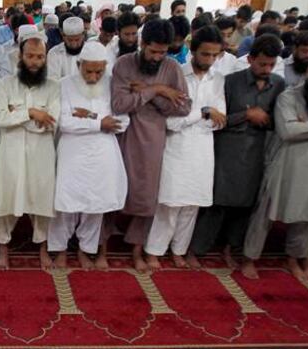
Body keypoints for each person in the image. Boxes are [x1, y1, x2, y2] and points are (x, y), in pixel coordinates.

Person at [240, 47, 308, 281]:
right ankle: (250, 257)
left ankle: (294, 259)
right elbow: (288, 130)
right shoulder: (289, 96)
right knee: (266, 213)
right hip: (287, 163)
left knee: (307, 217)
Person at [189, 34, 285, 270]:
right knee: (216, 203)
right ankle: (197, 249)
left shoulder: (278, 85)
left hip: (257, 152)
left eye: (271, 65)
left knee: (245, 205)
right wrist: (247, 115)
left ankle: (231, 249)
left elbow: (281, 121)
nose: (266, 69)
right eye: (262, 63)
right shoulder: (230, 81)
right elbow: (219, 117)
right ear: (250, 59)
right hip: (227, 149)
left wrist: (266, 119)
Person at [111, 18, 191, 271]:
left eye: (163, 52)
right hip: (122, 136)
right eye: (153, 50)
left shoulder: (172, 68)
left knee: (146, 198)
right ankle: (101, 245)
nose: (157, 57)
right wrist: (156, 89)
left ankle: (136, 249)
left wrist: (147, 93)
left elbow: (183, 108)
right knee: (113, 191)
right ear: (142, 44)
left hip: (153, 141)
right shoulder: (124, 64)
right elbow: (119, 104)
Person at [146, 26, 227, 268]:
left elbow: (220, 120)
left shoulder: (218, 79)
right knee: (170, 204)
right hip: (176, 149)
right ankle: (154, 251)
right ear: (192, 50)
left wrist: (200, 117)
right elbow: (171, 122)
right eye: (205, 54)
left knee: (192, 205)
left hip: (203, 150)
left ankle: (179, 250)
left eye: (215, 55)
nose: (210, 60)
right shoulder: (175, 75)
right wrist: (203, 113)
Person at [48, 41, 129, 270]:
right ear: (78, 64)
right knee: (64, 204)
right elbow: (64, 122)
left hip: (103, 153)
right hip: (72, 153)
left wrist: (88, 116)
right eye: (88, 71)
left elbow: (123, 121)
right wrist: (99, 122)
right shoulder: (64, 85)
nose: (94, 76)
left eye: (99, 71)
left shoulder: (113, 85)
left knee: (95, 206)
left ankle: (86, 251)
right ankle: (61, 250)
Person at [0, 31, 60, 270]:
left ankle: (43, 249)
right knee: (6, 202)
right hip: (10, 154)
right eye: (30, 56)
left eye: (40, 57)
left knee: (42, 202)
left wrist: (17, 115)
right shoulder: (5, 84)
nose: (35, 62)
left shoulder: (53, 87)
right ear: (20, 57)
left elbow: (50, 124)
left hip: (41, 154)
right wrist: (32, 113)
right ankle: (3, 250)